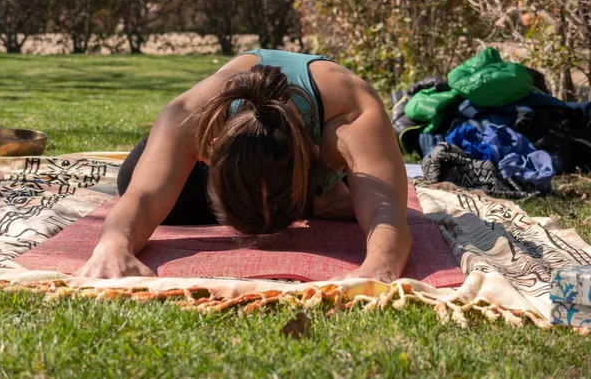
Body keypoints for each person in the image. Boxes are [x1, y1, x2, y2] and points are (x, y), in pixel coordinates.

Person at [75, 49, 411, 282]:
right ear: (211, 152)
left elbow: (390, 216)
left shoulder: (352, 114)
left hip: (323, 163)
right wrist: (112, 247)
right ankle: (320, 203)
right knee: (133, 179)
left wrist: (380, 266)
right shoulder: (190, 114)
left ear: (312, 153)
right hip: (243, 152)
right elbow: (141, 198)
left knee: (374, 202)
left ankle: (322, 195)